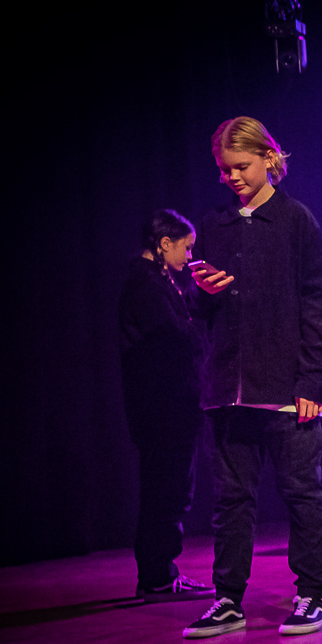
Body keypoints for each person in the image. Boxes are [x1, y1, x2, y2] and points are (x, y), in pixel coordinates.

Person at [182, 116, 322, 639]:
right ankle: (228, 600)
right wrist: (203, 294)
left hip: (286, 390)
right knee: (231, 500)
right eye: (224, 169)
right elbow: (199, 312)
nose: (232, 177)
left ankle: (311, 595)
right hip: (228, 391)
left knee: (301, 494)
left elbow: (321, 304)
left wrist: (314, 380)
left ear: (269, 159)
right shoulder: (214, 224)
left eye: (241, 166)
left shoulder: (296, 220)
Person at [119, 209, 212, 599]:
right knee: (167, 491)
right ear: (164, 243)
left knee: (169, 490)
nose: (189, 257)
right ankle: (158, 575)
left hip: (165, 407)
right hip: (163, 409)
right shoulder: (146, 285)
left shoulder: (157, 282)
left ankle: (159, 573)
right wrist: (198, 335)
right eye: (186, 248)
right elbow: (173, 339)